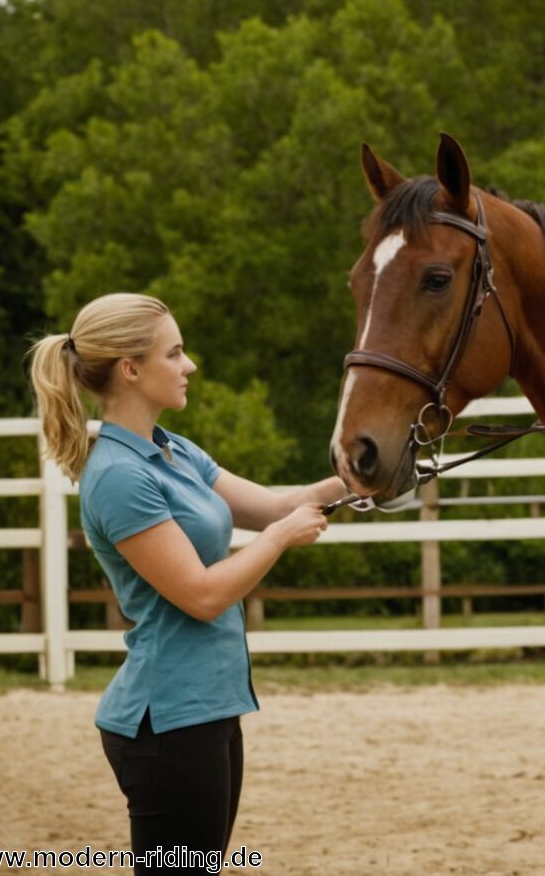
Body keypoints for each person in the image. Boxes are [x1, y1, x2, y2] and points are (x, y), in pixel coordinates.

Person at [27, 292, 344, 872]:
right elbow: (201, 595)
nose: (189, 365)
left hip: (209, 709)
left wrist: (362, 473)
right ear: (131, 369)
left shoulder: (171, 451)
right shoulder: (119, 476)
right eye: (174, 353)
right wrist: (277, 540)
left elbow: (278, 503)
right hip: (168, 723)